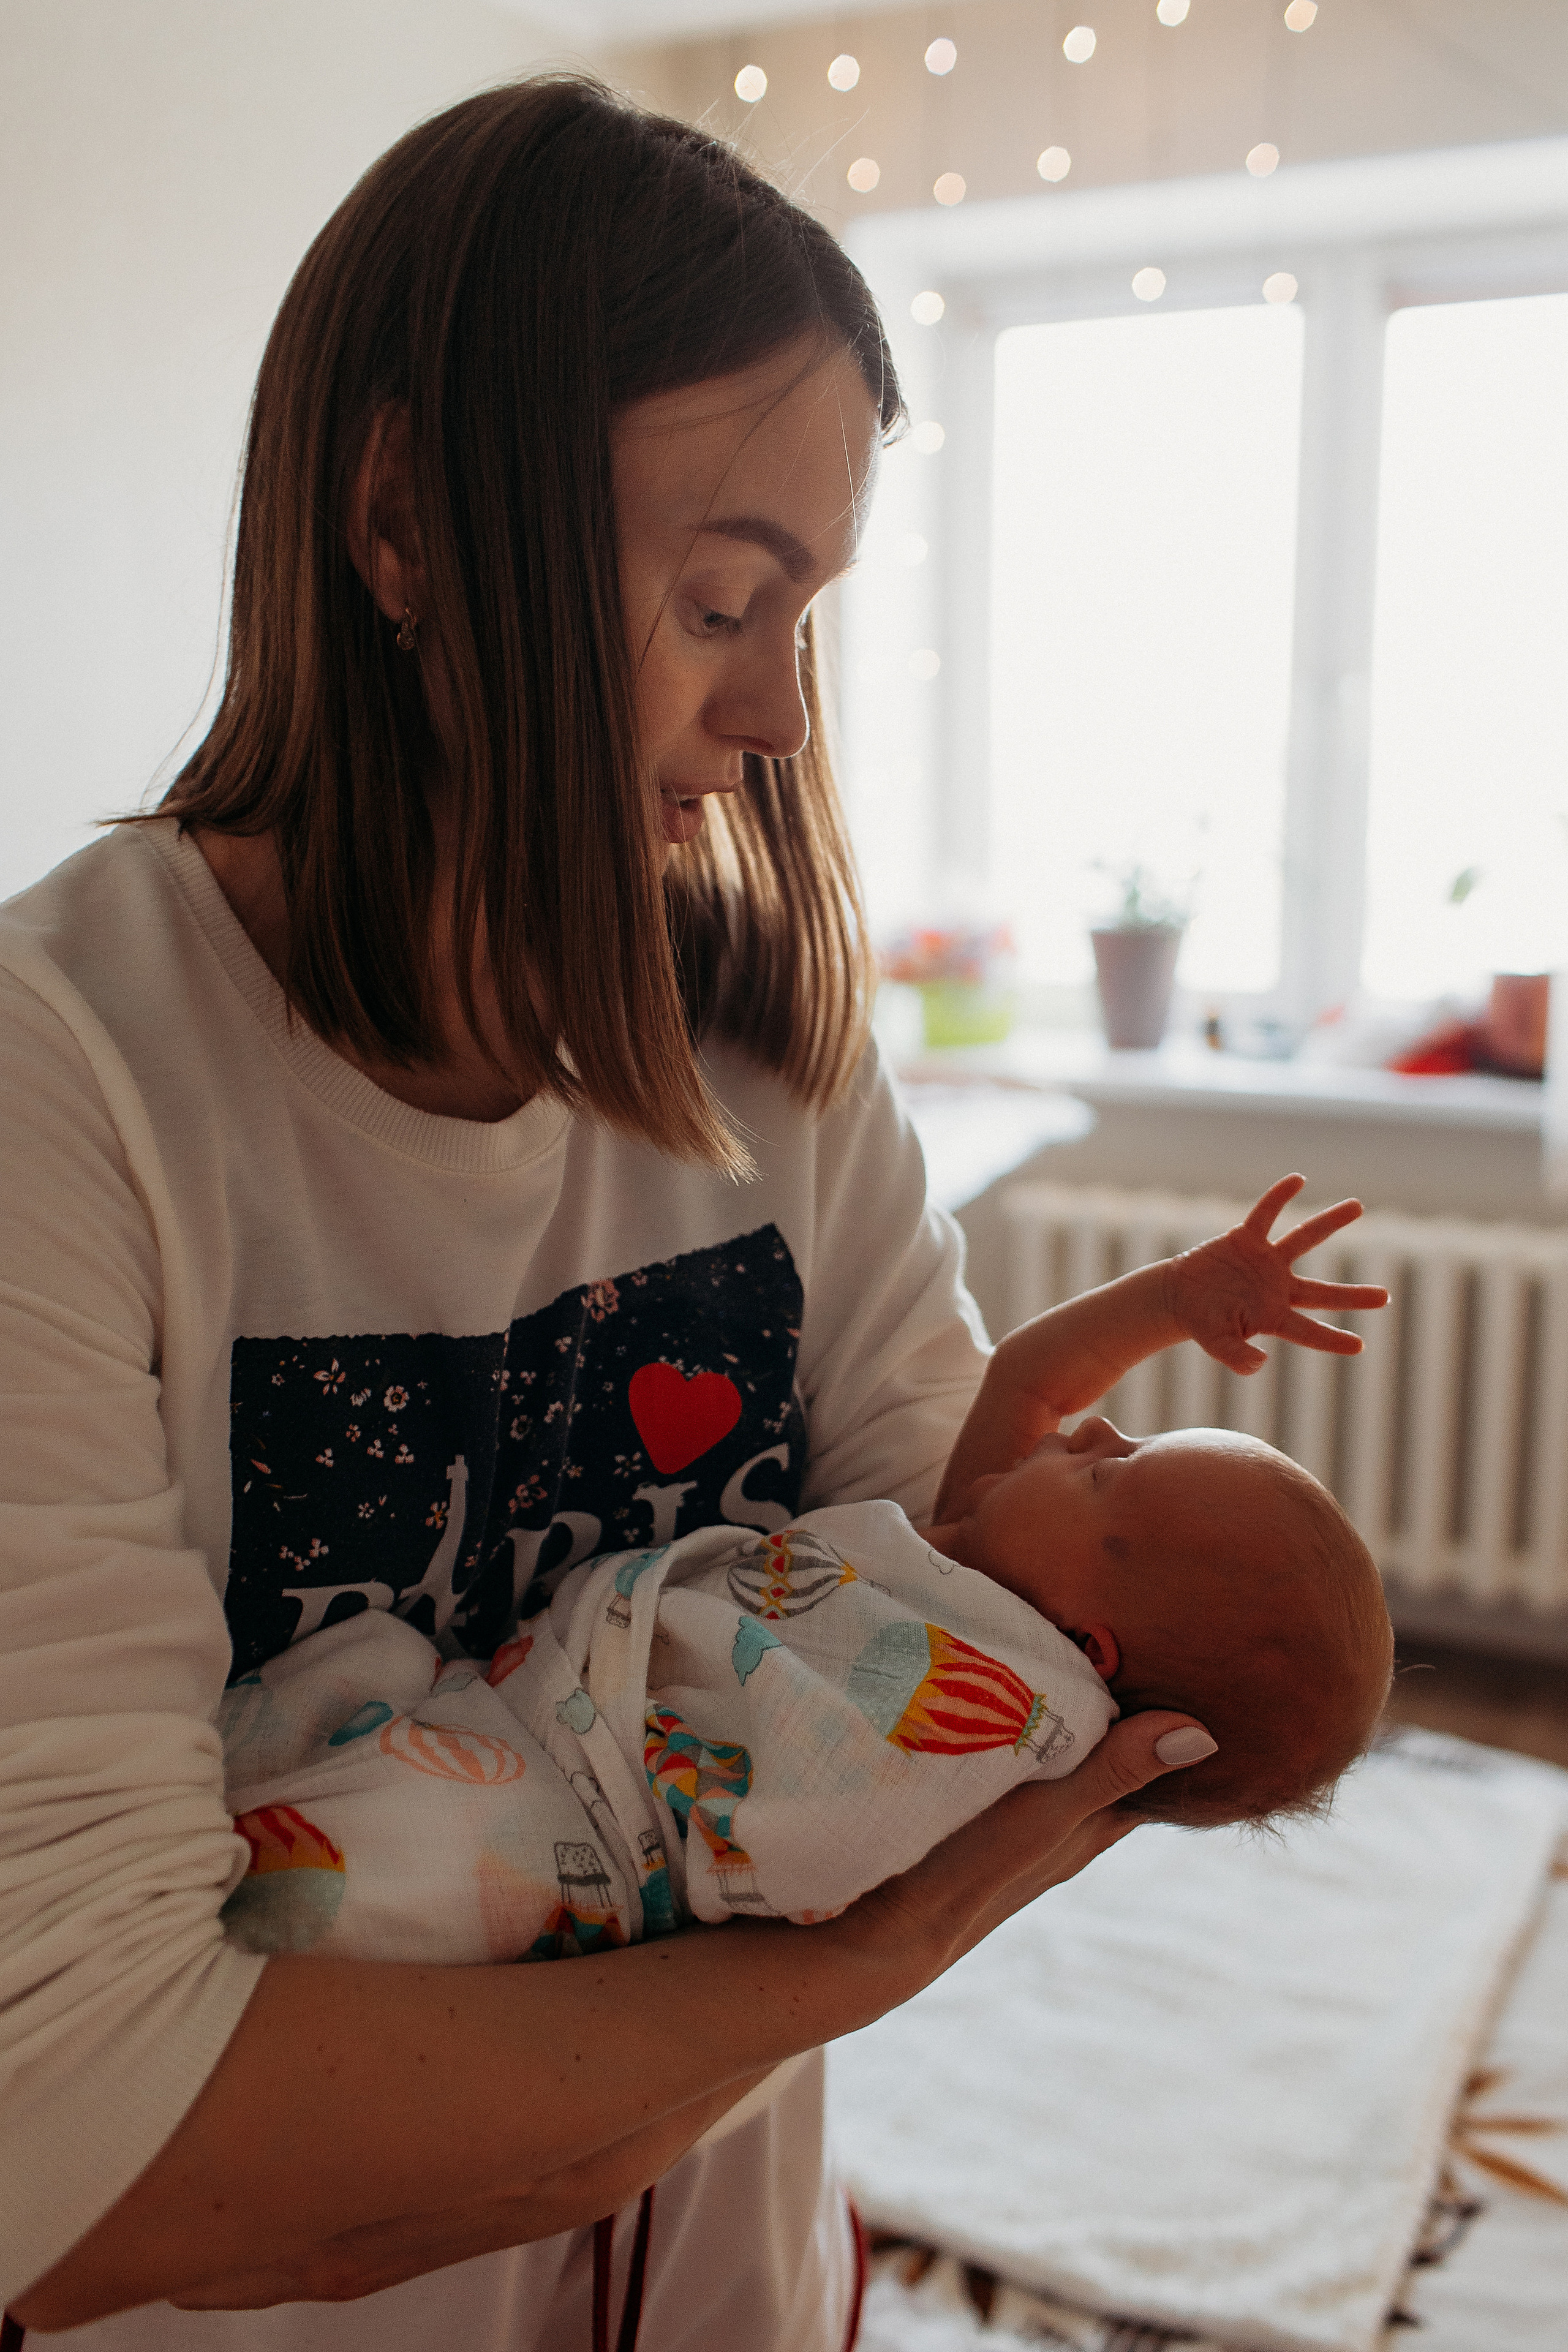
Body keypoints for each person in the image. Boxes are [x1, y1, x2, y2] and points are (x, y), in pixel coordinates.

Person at [1, 77, 1219, 2351]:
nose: (775, 709)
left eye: (807, 615)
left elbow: (985, 1613)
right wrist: (830, 1978)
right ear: (403, 526)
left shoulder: (774, 1056)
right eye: (721, 595)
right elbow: (83, 2139)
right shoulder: (63, 1088)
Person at [207, 1175, 1393, 1973]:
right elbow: (1029, 1377)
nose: (1083, 1436)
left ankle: (219, 1917)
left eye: (1105, 1481)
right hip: (516, 1694)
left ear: (1089, 1651)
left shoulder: (1010, 1720)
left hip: (573, 1824)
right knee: (353, 1668)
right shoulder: (972, 1560)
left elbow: (818, 1865)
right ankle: (206, 1805)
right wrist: (1171, 1301)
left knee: (355, 1875)